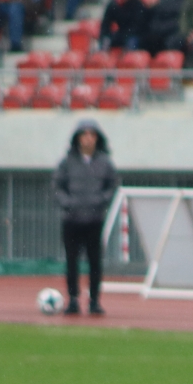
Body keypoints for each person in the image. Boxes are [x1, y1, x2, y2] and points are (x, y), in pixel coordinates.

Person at [54, 120, 117, 316]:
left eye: (92, 135)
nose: (88, 139)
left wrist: (101, 201)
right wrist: (68, 203)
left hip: (94, 220)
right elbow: (57, 186)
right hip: (72, 220)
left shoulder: (105, 163)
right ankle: (73, 300)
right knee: (71, 262)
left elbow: (112, 186)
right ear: (77, 138)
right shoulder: (67, 162)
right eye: (84, 134)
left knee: (95, 262)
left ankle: (94, 301)